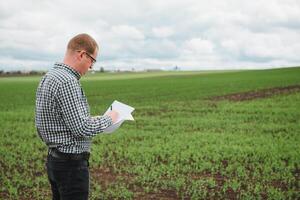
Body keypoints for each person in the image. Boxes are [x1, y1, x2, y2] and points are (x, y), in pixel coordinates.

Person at [35, 33, 118, 200]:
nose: (90, 68)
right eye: (92, 62)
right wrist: (111, 117)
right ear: (81, 54)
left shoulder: (49, 76)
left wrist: (92, 119)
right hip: (70, 165)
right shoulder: (67, 81)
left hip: (55, 160)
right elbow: (82, 128)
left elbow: (58, 120)